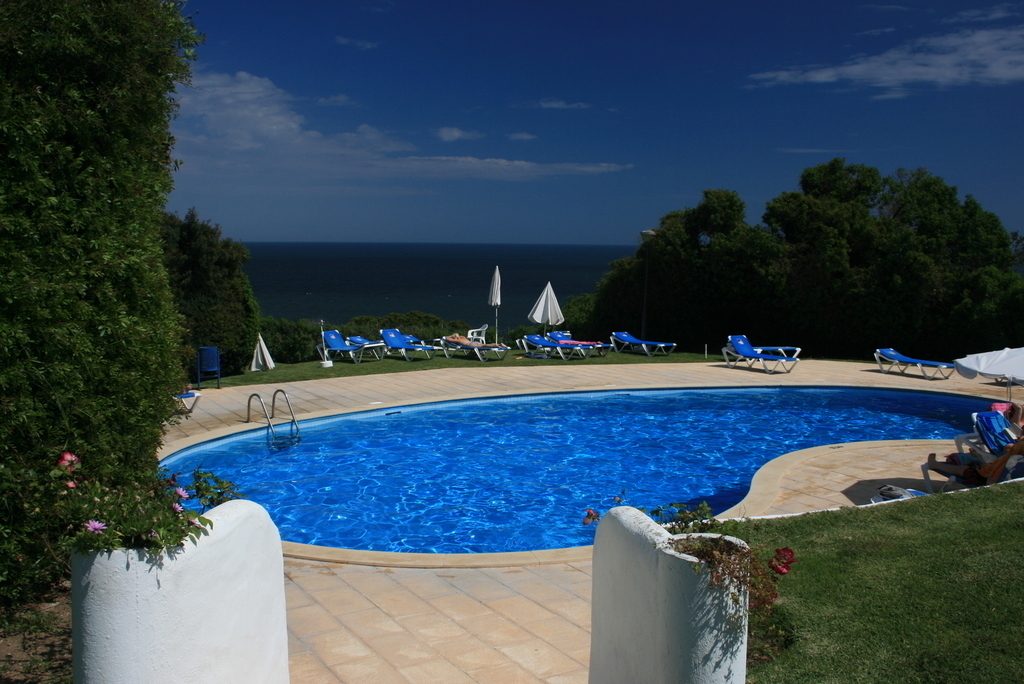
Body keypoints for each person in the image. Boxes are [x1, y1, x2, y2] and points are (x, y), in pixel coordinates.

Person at [926, 452, 1024, 487]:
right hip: (996, 472)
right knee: (986, 466)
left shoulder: (1015, 460)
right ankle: (980, 460)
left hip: (989, 479)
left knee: (963, 469)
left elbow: (992, 481)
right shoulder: (1018, 460)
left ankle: (934, 465)